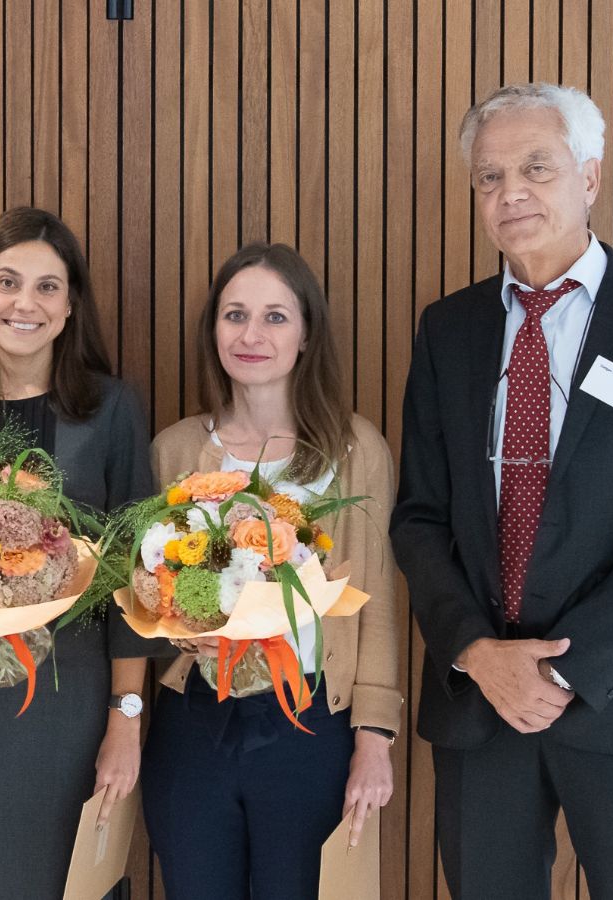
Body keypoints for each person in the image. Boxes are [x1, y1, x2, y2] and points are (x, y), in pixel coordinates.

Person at [390, 83, 613, 899]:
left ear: (589, 175)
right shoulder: (449, 329)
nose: (509, 193)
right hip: (480, 708)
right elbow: (418, 517)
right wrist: (477, 653)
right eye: (488, 177)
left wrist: (561, 673)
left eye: (535, 168)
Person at [0, 206, 161, 900]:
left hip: (68, 703)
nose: (25, 302)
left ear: (70, 305)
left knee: (62, 878)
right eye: (7, 281)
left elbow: (133, 577)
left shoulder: (111, 410)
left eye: (48, 286)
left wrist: (125, 720)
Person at [143, 242, 402, 898]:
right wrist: (178, 630)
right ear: (213, 330)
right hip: (194, 719)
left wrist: (373, 735)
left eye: (274, 317)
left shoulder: (354, 449)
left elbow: (375, 601)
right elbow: (146, 588)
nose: (251, 334)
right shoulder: (174, 449)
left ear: (306, 332)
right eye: (234, 315)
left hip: (309, 722)